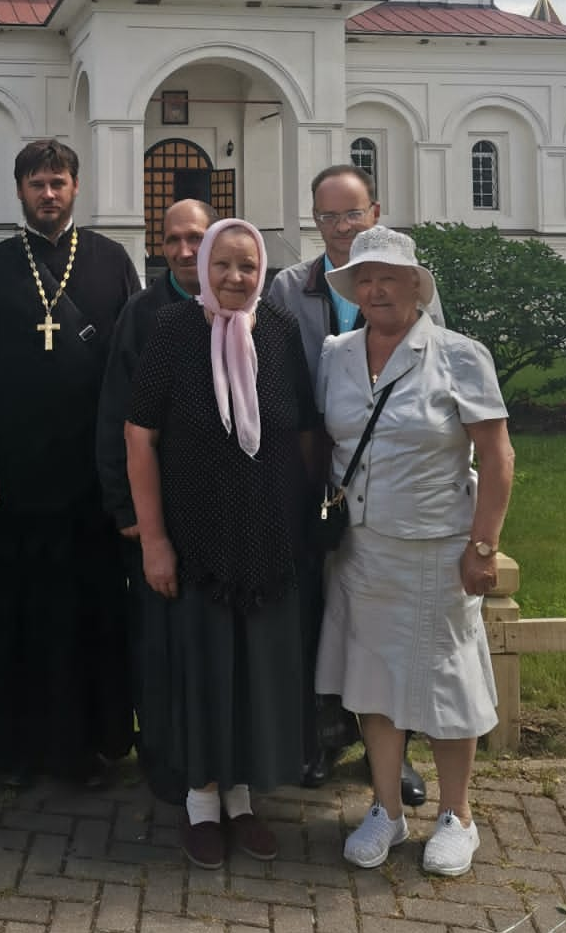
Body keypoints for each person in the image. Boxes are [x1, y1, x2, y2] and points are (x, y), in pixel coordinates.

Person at [316, 226, 513, 876]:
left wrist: (483, 546)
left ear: (415, 286)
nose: (375, 290)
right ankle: (388, 808)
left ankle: (458, 816)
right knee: (372, 687)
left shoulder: (460, 355)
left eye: (388, 278)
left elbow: (497, 455)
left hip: (438, 551)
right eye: (364, 280)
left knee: (447, 687)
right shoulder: (336, 353)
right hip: (364, 550)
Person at [125, 219, 317, 869]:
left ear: (261, 271)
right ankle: (202, 801)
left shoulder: (281, 334)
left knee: (253, 670)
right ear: (204, 268)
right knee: (204, 671)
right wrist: (154, 539)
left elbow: (305, 431)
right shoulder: (173, 334)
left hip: (267, 538)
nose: (235, 277)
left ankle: (241, 799)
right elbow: (139, 436)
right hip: (197, 535)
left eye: (247, 266)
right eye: (223, 265)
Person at [0, 139, 141, 785]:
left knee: (85, 609)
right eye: (36, 184)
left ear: (76, 187)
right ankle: (2, 745)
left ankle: (84, 744)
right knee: (9, 608)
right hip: (9, 476)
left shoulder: (112, 262)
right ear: (20, 191)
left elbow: (130, 367)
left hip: (88, 475)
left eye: (58, 182)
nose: (48, 194)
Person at [268, 163, 442, 800]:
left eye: (352, 213)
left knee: (390, 615)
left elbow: (436, 369)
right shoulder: (289, 286)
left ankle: (394, 753)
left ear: (377, 211)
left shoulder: (415, 284)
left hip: (395, 475)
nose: (340, 228)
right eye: (327, 216)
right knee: (319, 608)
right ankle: (319, 733)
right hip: (314, 472)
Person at [96, 197, 217, 795]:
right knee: (158, 638)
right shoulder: (142, 313)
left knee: (216, 638)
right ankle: (165, 754)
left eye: (195, 236)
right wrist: (126, 509)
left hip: (225, 516)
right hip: (155, 513)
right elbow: (116, 413)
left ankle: (220, 756)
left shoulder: (245, 307)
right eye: (172, 239)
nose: (184, 250)